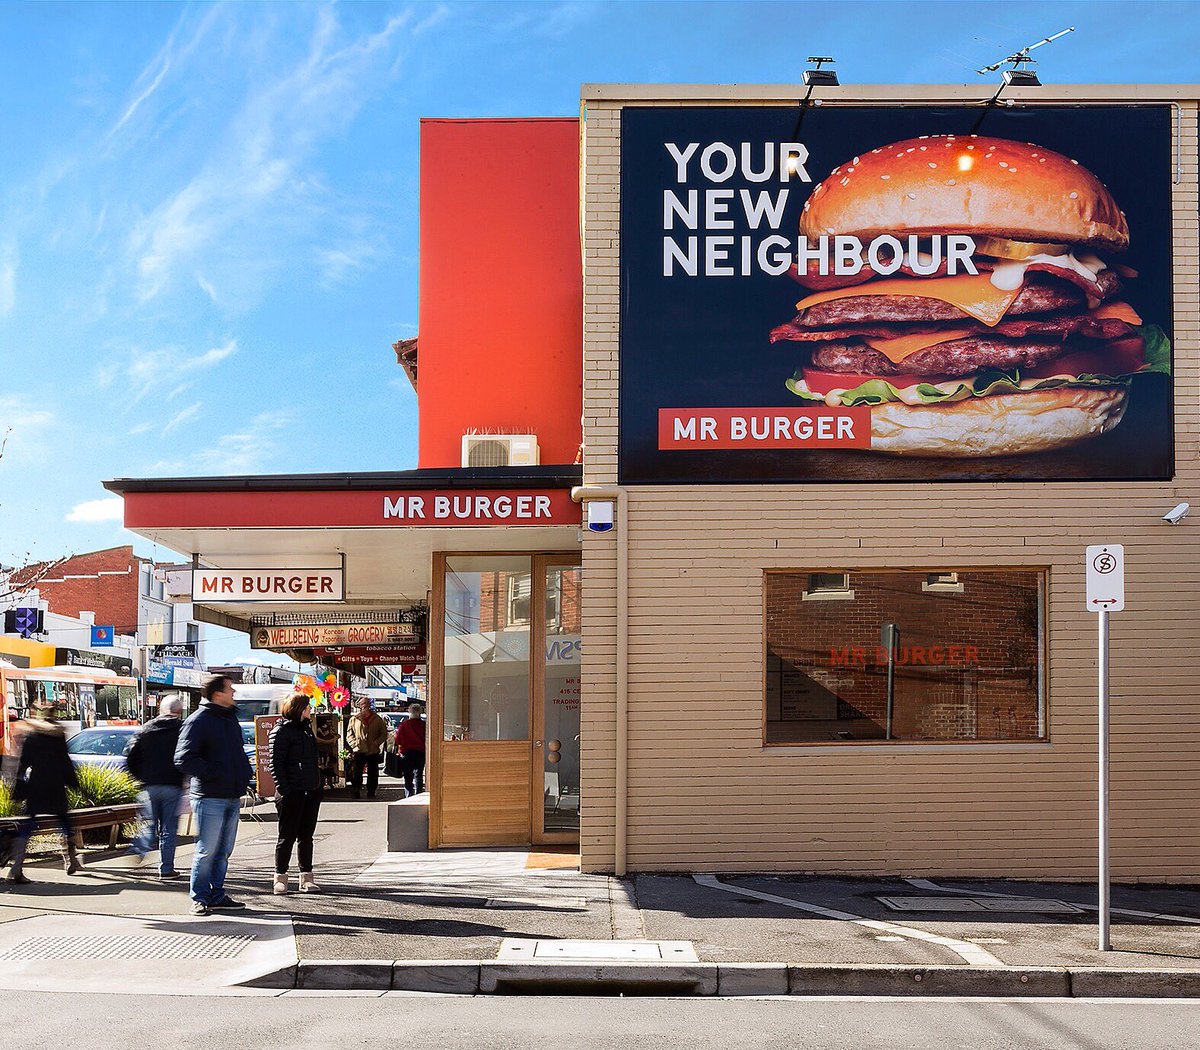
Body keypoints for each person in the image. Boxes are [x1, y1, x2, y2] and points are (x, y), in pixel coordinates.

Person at [174, 675, 253, 916]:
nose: (234, 692)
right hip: (209, 796)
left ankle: (217, 895)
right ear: (218, 694)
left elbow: (236, 753)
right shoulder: (199, 720)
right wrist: (214, 774)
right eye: (230, 689)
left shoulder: (229, 718)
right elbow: (183, 758)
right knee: (207, 850)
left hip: (230, 794)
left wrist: (243, 775)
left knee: (223, 851)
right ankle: (199, 897)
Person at [6, 702, 80, 884]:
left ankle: (17, 868)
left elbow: (23, 764)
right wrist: (74, 783)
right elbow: (65, 762)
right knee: (64, 821)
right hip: (55, 785)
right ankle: (72, 860)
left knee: (28, 825)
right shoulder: (58, 734)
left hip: (37, 785)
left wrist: (18, 791)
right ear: (54, 715)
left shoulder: (32, 735)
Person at [267, 692, 323, 894]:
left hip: (310, 790)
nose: (310, 710)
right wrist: (285, 790)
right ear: (299, 709)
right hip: (291, 792)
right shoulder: (280, 731)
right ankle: (280, 877)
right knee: (286, 836)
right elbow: (275, 764)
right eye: (307, 707)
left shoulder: (307, 730)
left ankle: (306, 878)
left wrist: (317, 785)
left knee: (306, 836)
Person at [125, 695, 186, 879]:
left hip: (149, 786)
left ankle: (139, 850)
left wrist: (140, 776)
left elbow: (129, 755)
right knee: (169, 829)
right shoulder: (182, 730)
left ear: (160, 709)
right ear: (179, 711)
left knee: (149, 825)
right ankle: (166, 869)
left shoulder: (146, 729)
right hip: (172, 785)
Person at [345, 697, 387, 798]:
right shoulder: (354, 719)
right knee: (357, 772)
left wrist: (377, 742)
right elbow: (349, 734)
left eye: (366, 704)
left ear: (369, 705)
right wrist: (355, 744)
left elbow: (383, 734)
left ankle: (371, 791)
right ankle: (356, 790)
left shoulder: (377, 719)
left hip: (373, 750)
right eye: (362, 704)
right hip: (359, 750)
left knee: (373, 772)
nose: (364, 706)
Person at [394, 703, 426, 798]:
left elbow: (398, 739)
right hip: (420, 752)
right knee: (418, 774)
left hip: (406, 753)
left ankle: (409, 794)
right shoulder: (423, 725)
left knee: (408, 776)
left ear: (410, 712)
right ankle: (418, 793)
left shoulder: (404, 725)